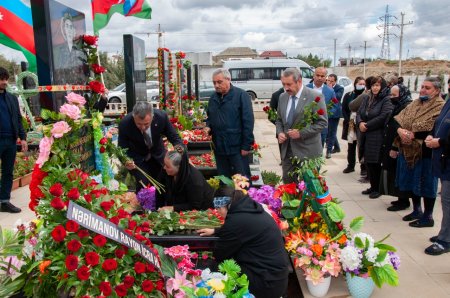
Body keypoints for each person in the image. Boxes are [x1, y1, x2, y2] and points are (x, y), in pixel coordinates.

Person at [197, 186, 289, 298]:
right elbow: (245, 228)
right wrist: (216, 230)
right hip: (276, 277)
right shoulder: (251, 209)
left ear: (227, 205)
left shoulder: (234, 222)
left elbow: (220, 255)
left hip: (265, 285)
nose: (218, 212)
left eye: (218, 208)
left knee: (216, 267)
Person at [390, 77, 444, 227]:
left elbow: (434, 127)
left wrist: (413, 134)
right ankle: (417, 210)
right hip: (408, 150)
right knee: (412, 182)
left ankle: (428, 216)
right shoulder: (415, 103)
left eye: (427, 88)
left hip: (426, 152)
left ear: (437, 91)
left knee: (426, 184)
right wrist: (401, 131)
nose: (422, 90)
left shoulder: (440, 106)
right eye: (422, 87)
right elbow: (397, 120)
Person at [275, 68, 327, 183]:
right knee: (289, 187)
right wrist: (280, 132)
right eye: (284, 84)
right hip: (288, 150)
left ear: (299, 81)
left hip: (308, 151)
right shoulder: (282, 97)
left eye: (289, 84)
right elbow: (279, 120)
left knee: (309, 189)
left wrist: (300, 133)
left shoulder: (314, 96)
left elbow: (322, 123)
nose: (286, 88)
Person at [118, 101, 182, 192]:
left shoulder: (161, 117)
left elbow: (174, 137)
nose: (143, 127)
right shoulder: (125, 123)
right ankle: (145, 204)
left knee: (165, 183)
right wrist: (126, 160)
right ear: (133, 117)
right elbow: (121, 147)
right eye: (139, 124)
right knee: (144, 186)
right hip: (138, 159)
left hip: (158, 155)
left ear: (152, 117)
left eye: (146, 124)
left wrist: (180, 151)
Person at [204, 68, 254, 179]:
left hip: (237, 146)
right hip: (219, 146)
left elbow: (248, 122)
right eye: (214, 82)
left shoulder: (241, 96)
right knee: (224, 179)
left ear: (228, 79)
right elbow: (210, 118)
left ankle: (243, 197)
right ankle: (226, 196)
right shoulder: (213, 98)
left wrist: (246, 145)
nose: (216, 85)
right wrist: (208, 127)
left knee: (242, 179)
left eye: (219, 82)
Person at [357, 76, 393, 199]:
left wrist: (366, 125)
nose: (375, 88)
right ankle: (372, 186)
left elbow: (384, 116)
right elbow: (359, 112)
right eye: (373, 85)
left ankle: (377, 188)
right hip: (366, 134)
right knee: (368, 162)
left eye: (377, 85)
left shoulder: (386, 100)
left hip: (377, 135)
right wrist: (360, 122)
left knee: (376, 162)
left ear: (382, 86)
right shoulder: (367, 98)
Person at [424, 98, 450, 255]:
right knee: (446, 201)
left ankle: (445, 240)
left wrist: (439, 141)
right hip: (444, 160)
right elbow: (440, 123)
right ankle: (445, 232)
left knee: (448, 200)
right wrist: (432, 136)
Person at [0, 67, 27, 213]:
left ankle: (4, 201)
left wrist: (22, 138)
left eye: (5, 79)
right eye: (1, 79)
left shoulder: (11, 98)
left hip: (10, 141)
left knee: (8, 172)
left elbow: (18, 118)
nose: (4, 82)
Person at [381, 85, 412, 211]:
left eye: (394, 95)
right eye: (391, 95)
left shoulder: (406, 107)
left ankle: (404, 200)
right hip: (391, 143)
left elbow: (402, 127)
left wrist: (394, 146)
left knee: (399, 172)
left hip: (399, 145)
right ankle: (399, 197)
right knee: (393, 172)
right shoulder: (397, 105)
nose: (391, 98)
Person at [159, 145, 214, 212]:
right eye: (164, 164)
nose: (164, 167)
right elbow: (160, 189)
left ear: (179, 167)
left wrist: (173, 208)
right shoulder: (166, 171)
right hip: (180, 207)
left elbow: (195, 206)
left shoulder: (194, 180)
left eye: (168, 166)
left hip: (202, 210)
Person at [306, 67, 337, 158]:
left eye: (322, 76)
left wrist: (326, 114)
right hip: (307, 125)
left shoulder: (330, 91)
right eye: (318, 75)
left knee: (319, 150)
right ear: (313, 75)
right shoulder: (306, 88)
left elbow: (334, 107)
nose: (319, 78)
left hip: (321, 126)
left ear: (325, 77)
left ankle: (317, 170)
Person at [53, 12, 86, 85]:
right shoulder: (58, 50)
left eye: (71, 27)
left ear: (73, 30)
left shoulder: (80, 52)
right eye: (66, 26)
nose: (69, 30)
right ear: (63, 30)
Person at [341, 76, 365, 173]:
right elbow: (344, 109)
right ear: (355, 84)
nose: (362, 86)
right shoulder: (349, 95)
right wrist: (348, 120)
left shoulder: (366, 96)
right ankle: (350, 165)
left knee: (362, 146)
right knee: (351, 145)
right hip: (350, 123)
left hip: (361, 123)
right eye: (360, 84)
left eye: (363, 84)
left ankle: (363, 167)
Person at [327, 74, 344, 154]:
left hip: (335, 113)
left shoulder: (339, 88)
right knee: (328, 131)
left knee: (332, 131)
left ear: (335, 81)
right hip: (326, 112)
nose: (329, 82)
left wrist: (330, 89)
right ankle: (336, 147)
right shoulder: (325, 87)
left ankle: (329, 150)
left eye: (331, 81)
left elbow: (337, 98)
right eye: (328, 80)